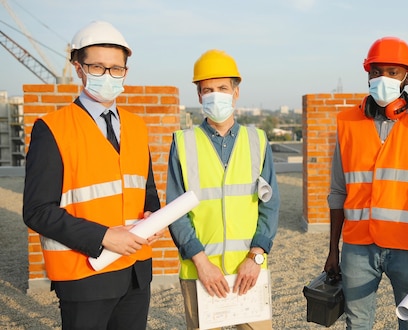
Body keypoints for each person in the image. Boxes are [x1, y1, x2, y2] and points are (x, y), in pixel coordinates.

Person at [22, 20, 162, 329]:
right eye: (97, 67)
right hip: (84, 274)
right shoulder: (52, 129)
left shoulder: (136, 127)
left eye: (116, 69)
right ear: (78, 68)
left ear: (125, 71)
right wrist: (103, 237)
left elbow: (146, 189)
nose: (108, 76)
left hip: (137, 272)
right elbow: (37, 211)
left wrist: (154, 215)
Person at [324, 36, 408, 330]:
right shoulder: (347, 123)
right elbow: (337, 192)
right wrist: (334, 249)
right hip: (357, 247)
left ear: (407, 77)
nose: (382, 78)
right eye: (376, 71)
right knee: (356, 323)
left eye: (392, 72)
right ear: (367, 73)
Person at [167, 49, 280, 330]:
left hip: (249, 271)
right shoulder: (183, 143)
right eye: (207, 90)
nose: (215, 95)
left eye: (222, 88)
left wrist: (255, 257)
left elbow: (270, 205)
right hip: (200, 271)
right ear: (199, 96)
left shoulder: (258, 141)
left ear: (236, 92)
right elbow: (176, 211)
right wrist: (202, 263)